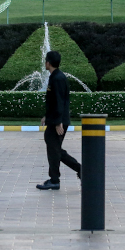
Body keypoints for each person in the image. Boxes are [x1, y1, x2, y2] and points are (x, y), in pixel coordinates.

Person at [36, 50, 81, 190]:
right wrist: (47, 116)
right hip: (55, 119)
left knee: (54, 149)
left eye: (45, 61)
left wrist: (57, 122)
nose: (45, 63)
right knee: (55, 149)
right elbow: (53, 101)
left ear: (48, 63)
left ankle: (56, 179)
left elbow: (60, 102)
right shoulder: (55, 76)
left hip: (58, 121)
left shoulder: (58, 78)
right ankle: (60, 177)